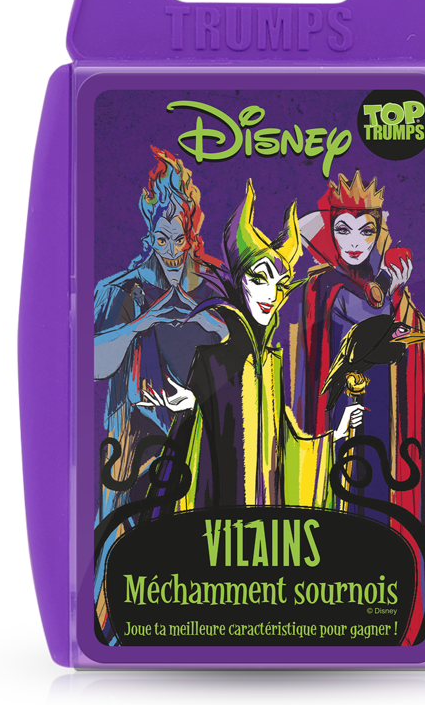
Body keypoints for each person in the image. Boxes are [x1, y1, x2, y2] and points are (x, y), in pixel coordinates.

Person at [137, 179, 358, 513]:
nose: (271, 295)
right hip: (220, 514)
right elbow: (195, 445)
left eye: (279, 284)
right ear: (239, 282)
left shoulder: (271, 363)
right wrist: (195, 404)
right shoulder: (211, 359)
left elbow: (285, 443)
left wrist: (336, 435)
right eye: (259, 278)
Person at [93, 147, 226, 640]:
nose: (171, 251)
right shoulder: (119, 291)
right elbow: (93, 364)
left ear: (192, 235)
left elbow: (241, 355)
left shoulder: (211, 289)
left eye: (180, 239)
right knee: (123, 554)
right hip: (131, 453)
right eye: (162, 239)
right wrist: (141, 323)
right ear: (150, 235)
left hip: (196, 447)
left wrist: (214, 325)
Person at [295, 170, 425, 532]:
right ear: (330, 232)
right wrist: (387, 282)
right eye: (343, 230)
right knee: (346, 489)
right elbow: (367, 317)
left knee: (377, 486)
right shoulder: (326, 284)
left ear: (377, 232)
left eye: (365, 231)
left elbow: (406, 331)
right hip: (341, 402)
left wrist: (393, 289)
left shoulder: (375, 281)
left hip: (382, 398)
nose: (355, 242)